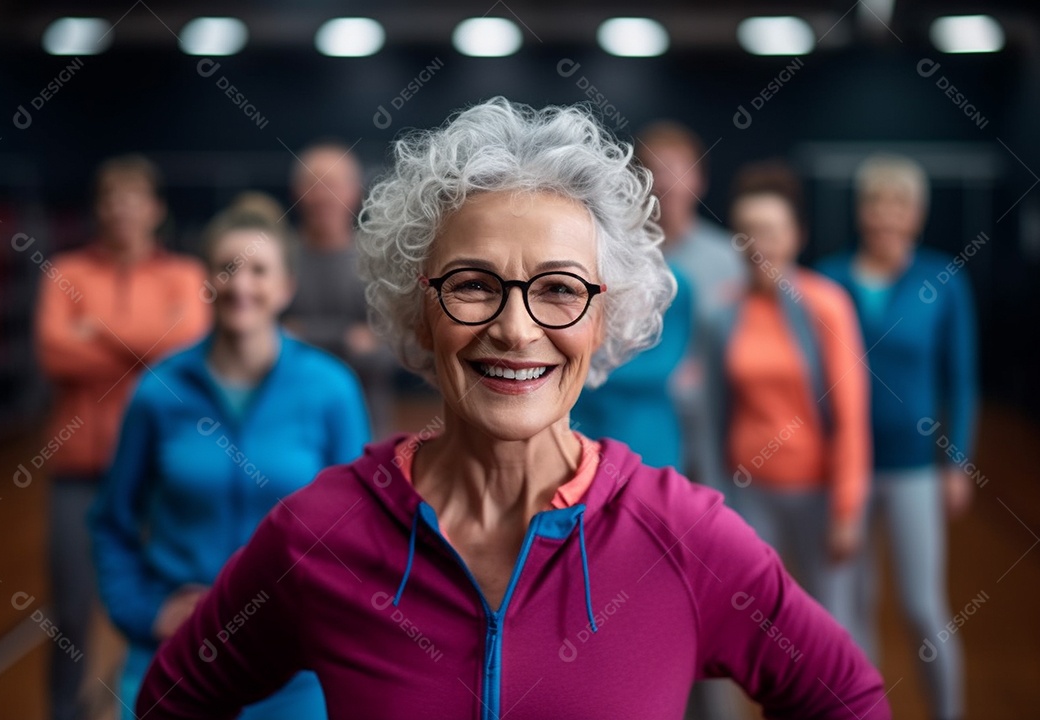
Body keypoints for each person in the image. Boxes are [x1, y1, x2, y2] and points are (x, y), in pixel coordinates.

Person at [133, 98, 889, 720]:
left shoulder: (685, 538)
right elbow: (173, 697)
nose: (516, 328)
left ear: (605, 317)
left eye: (559, 289)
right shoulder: (321, 534)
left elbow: (848, 700)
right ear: (419, 307)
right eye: (472, 284)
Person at [89, 200, 370, 718]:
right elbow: (112, 521)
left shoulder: (331, 389)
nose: (242, 285)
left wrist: (315, 619)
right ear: (207, 281)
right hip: (173, 655)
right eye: (227, 268)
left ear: (286, 286)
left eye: (259, 270)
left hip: (295, 669)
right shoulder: (158, 391)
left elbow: (358, 534)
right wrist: (143, 612)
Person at [34, 154, 211, 720]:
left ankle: (160, 706)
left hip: (163, 473)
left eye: (133, 198)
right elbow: (54, 352)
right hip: (80, 470)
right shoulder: (64, 272)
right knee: (70, 610)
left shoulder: (184, 274)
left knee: (171, 603)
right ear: (98, 209)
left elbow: (188, 347)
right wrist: (145, 347)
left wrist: (96, 331)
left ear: (155, 210)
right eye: (111, 199)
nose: (122, 210)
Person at [819, 154, 977, 720]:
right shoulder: (830, 278)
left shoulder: (945, 280)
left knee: (921, 605)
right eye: (876, 202)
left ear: (918, 213)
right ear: (861, 211)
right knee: (851, 609)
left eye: (899, 203)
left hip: (914, 469)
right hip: (846, 471)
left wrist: (956, 462)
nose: (886, 215)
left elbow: (960, 378)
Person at [723, 162, 871, 642]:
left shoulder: (826, 304)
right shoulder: (724, 309)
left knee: (830, 630)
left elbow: (851, 416)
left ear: (796, 235)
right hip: (748, 493)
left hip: (817, 492)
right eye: (745, 232)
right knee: (755, 629)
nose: (756, 244)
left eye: (768, 230)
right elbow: (714, 408)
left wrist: (847, 510)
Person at [635, 123, 746, 493]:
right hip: (639, 417)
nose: (667, 183)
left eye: (677, 169)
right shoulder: (620, 258)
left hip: (715, 418)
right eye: (656, 171)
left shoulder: (730, 258)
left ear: (698, 179)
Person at [283, 142, 394, 433]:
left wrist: (302, 335)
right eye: (313, 184)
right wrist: (348, 337)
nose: (323, 196)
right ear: (297, 193)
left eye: (333, 184)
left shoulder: (379, 261)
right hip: (290, 424)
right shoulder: (276, 260)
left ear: (354, 192)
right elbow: (267, 345)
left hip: (365, 426)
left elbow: (394, 351)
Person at [570, 265, 692, 469]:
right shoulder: (581, 271)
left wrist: (581, 368)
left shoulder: (670, 282)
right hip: (581, 423)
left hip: (641, 430)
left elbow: (661, 366)